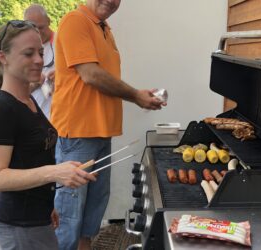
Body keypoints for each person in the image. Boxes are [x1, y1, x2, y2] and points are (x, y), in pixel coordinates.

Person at [51, 0, 166, 249]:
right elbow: (90, 74)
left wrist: (138, 94)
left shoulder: (105, 28)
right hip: (78, 134)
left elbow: (104, 77)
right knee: (69, 213)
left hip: (101, 132)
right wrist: (135, 95)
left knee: (93, 209)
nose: (111, 1)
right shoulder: (76, 20)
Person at [0, 20, 97, 249]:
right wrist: (55, 172)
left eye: (41, 52)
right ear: (3, 57)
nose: (38, 60)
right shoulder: (2, 109)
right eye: (28, 53)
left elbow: (29, 159)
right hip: (18, 224)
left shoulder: (27, 99)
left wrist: (47, 205)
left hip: (37, 217)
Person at [24, 4, 55, 119]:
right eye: (32, 28)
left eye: (41, 27)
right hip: (32, 116)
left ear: (48, 21)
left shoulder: (61, 42)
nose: (37, 32)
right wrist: (36, 84)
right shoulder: (22, 48)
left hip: (57, 118)